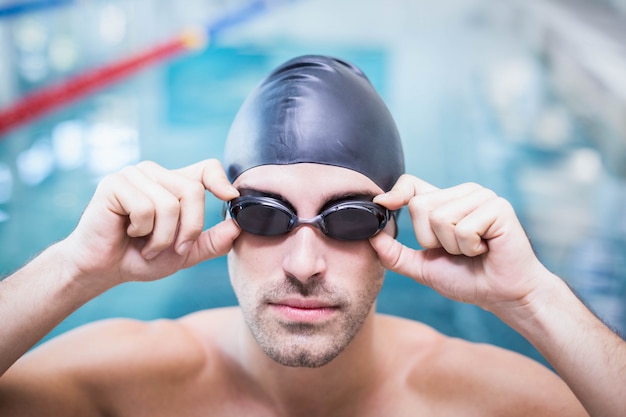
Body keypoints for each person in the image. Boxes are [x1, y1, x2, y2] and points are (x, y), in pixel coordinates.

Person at [0, 55, 623, 417]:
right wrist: (73, 268)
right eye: (266, 215)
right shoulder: (123, 389)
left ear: (392, 227)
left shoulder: (491, 405)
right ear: (227, 221)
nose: (304, 263)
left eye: (347, 218)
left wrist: (535, 298)